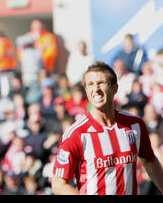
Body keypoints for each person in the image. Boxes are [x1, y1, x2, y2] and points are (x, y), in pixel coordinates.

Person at [52, 61, 163, 195]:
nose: (96, 89)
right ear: (86, 90)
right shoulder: (76, 133)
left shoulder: (135, 125)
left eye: (101, 83)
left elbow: (150, 160)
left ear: (115, 88)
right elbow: (58, 184)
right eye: (90, 85)